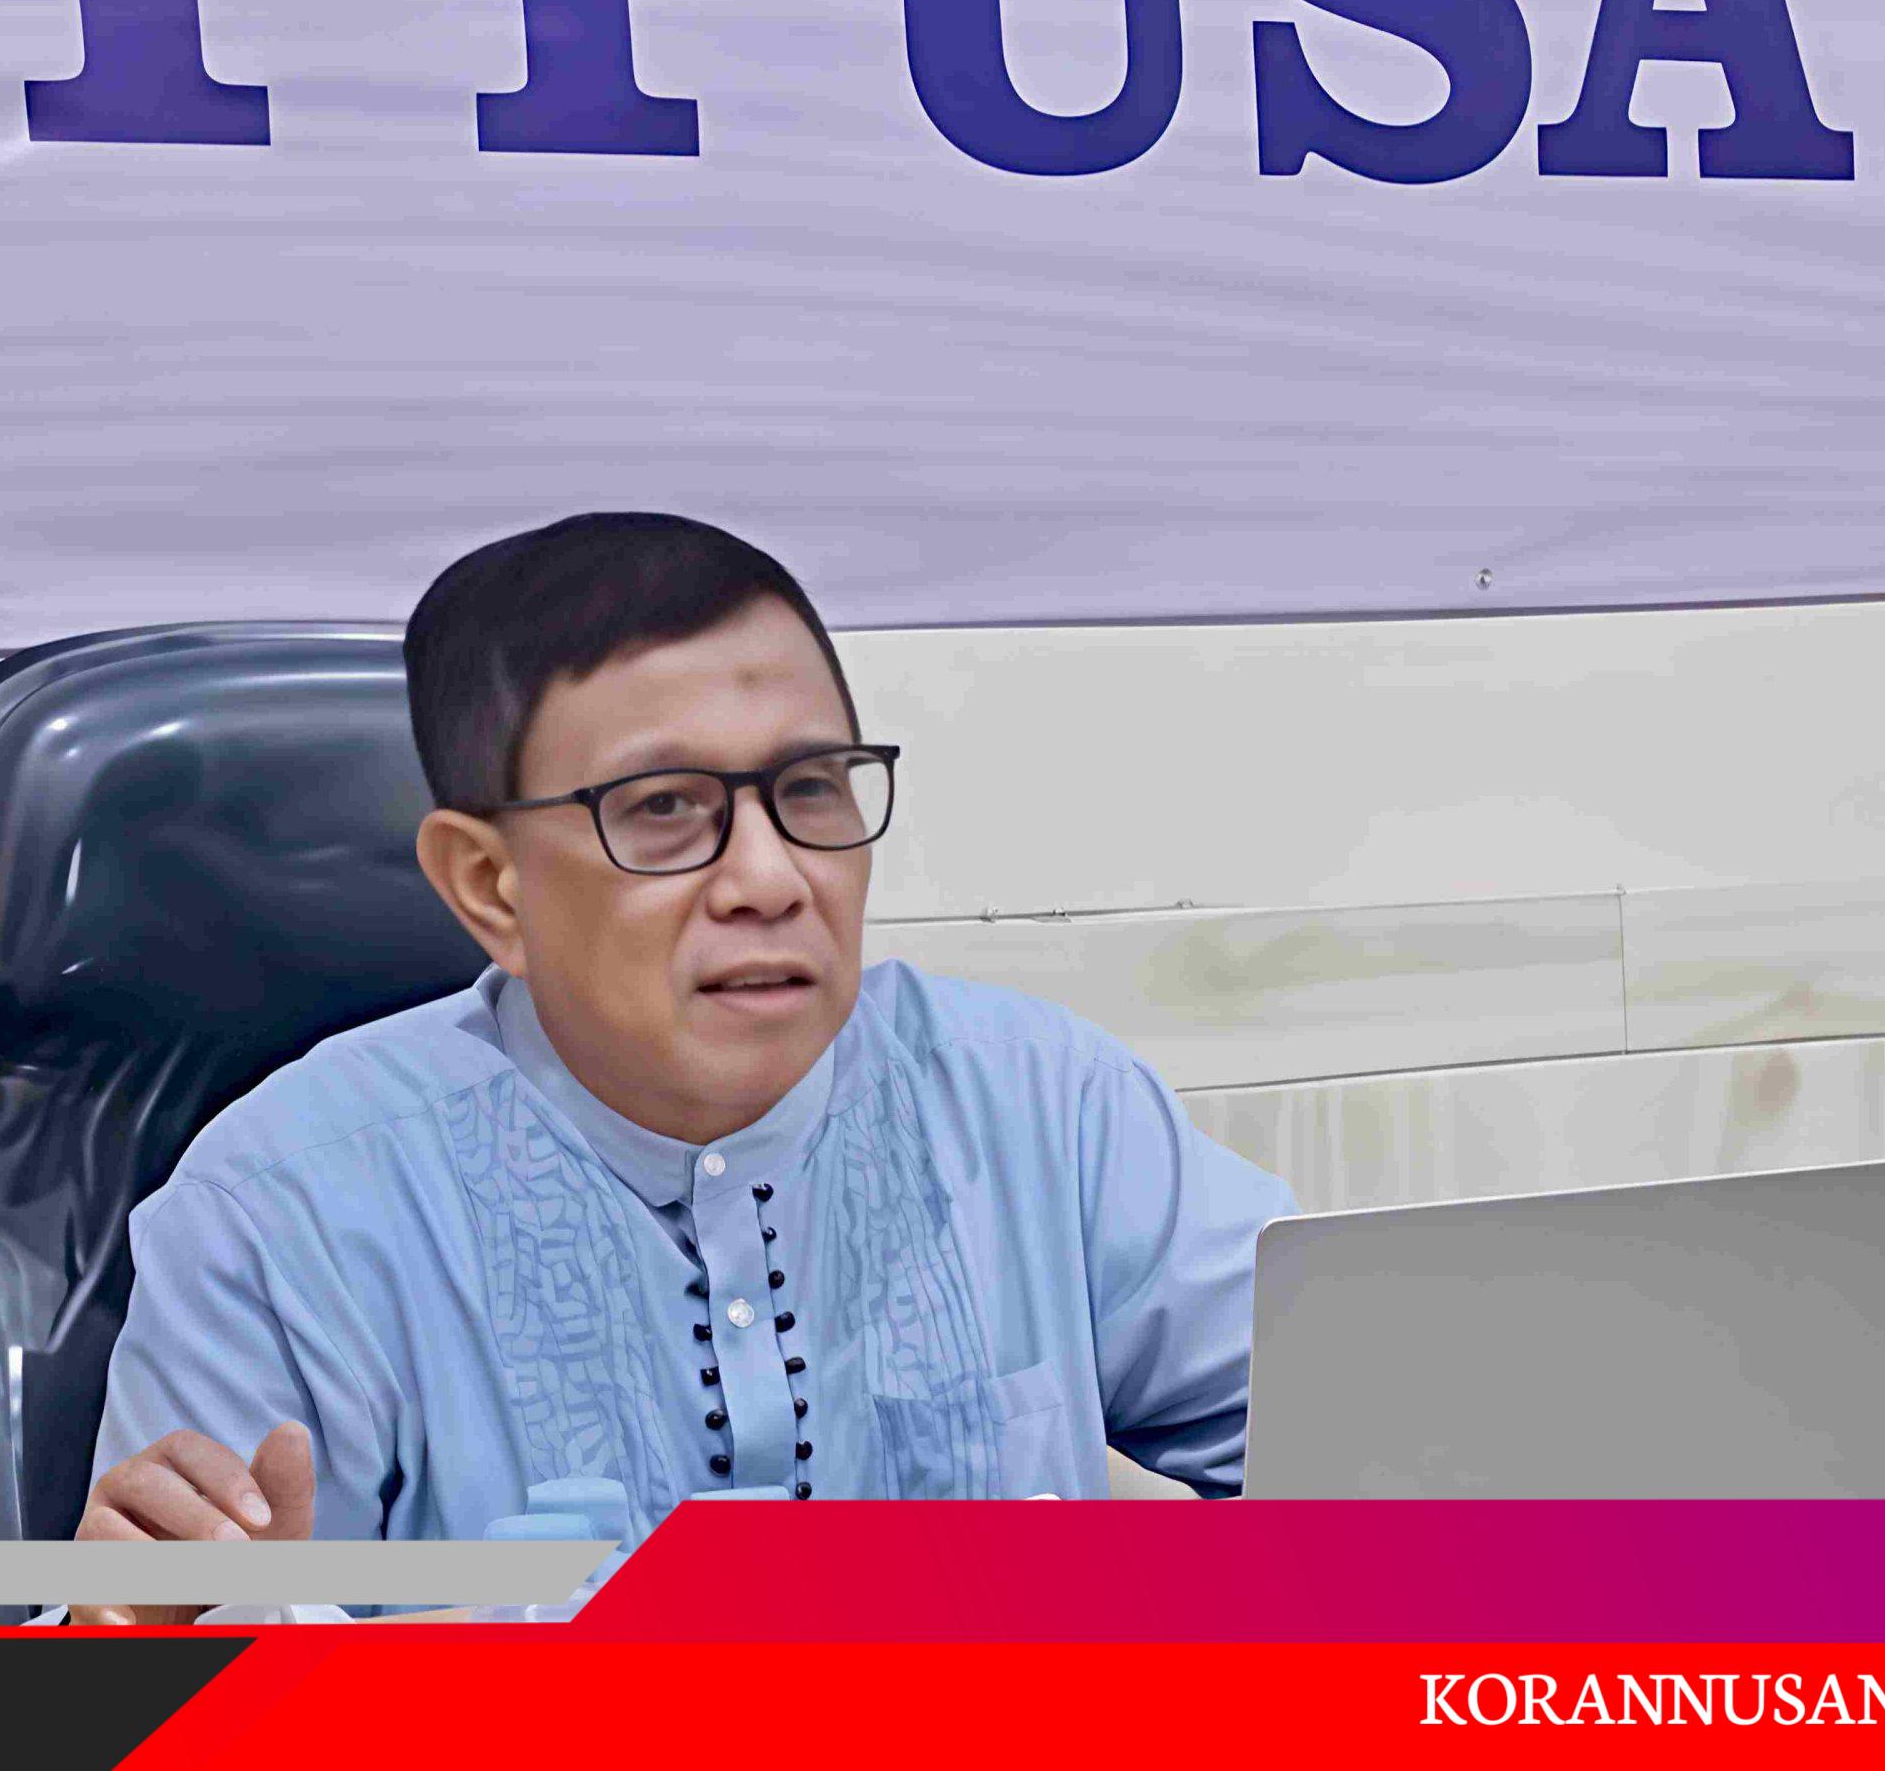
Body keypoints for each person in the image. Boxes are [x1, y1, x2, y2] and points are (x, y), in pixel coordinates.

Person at [67, 512, 1294, 1623]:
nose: (770, 877)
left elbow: (1368, 1484)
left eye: (809, 788)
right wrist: (131, 1648)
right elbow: (131, 1674)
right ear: (490, 885)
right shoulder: (282, 1212)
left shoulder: (1044, 1104)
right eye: (663, 807)